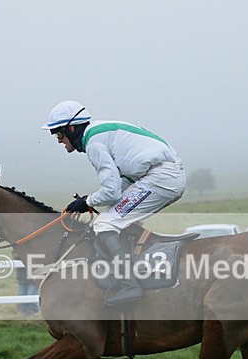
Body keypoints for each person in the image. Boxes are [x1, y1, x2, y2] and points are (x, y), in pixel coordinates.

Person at [43, 100, 186, 305]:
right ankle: (136, 267)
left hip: (161, 178)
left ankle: (130, 284)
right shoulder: (98, 133)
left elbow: (110, 191)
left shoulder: (94, 143)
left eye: (59, 134)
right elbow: (119, 187)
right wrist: (89, 200)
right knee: (116, 217)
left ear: (71, 129)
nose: (59, 140)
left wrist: (86, 202)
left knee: (105, 223)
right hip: (160, 175)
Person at [14, 252, 39, 316]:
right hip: (21, 276)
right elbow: (15, 255)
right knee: (22, 295)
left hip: (33, 277)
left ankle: (33, 313)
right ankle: (24, 314)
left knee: (31, 295)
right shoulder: (18, 246)